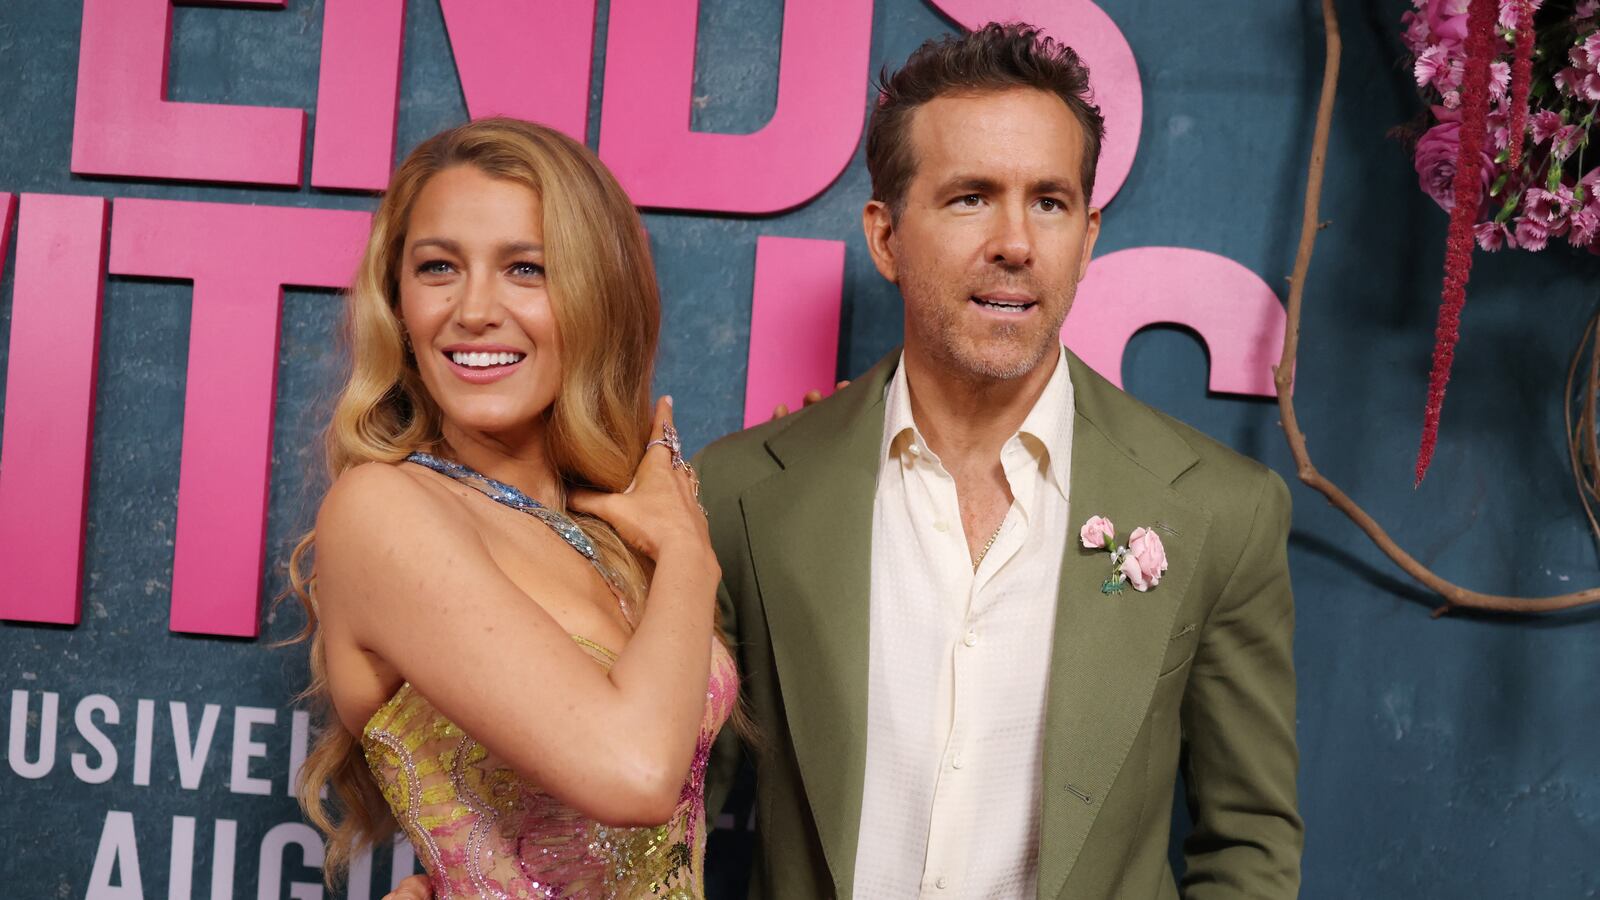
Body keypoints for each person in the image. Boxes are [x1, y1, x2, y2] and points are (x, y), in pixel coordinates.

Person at [695, 23, 1303, 899]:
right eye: (970, 197)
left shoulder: (1222, 511)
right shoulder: (742, 494)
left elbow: (1248, 841)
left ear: (1088, 237)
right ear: (886, 236)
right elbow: (669, 830)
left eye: (1049, 202)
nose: (1016, 242)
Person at [289, 117, 737, 899]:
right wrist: (692, 556)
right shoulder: (382, 508)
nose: (473, 310)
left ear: (597, 294)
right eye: (437, 268)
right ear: (397, 299)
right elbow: (633, 773)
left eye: (525, 268)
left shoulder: (607, 524)